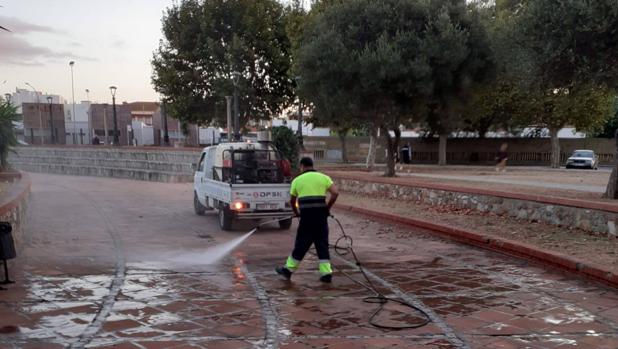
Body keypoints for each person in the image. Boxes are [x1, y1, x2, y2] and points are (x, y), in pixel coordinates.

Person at [276, 157, 339, 283]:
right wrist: (327, 208)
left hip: (306, 218)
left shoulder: (297, 180)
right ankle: (326, 273)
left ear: (302, 166)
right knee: (322, 244)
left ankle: (288, 270)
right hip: (321, 218)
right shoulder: (323, 177)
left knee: (301, 244)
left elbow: (292, 201)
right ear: (312, 165)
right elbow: (335, 193)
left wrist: (296, 213)